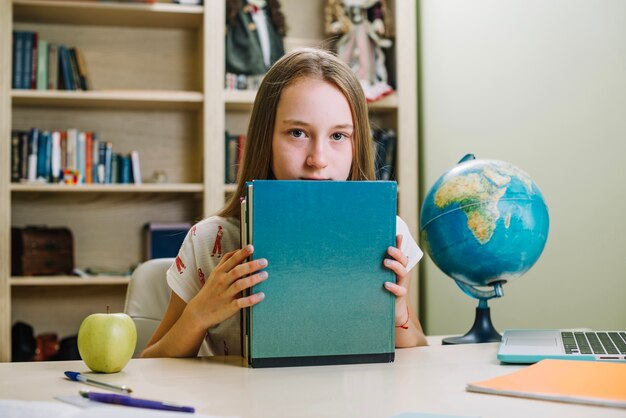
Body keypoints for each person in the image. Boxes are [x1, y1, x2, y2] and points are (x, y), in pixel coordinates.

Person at [141, 48, 427, 359]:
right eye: (297, 132)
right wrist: (198, 315)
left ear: (357, 145)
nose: (318, 159)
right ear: (266, 139)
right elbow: (151, 364)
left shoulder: (387, 233)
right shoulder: (209, 241)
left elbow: (419, 352)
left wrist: (399, 316)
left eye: (339, 136)